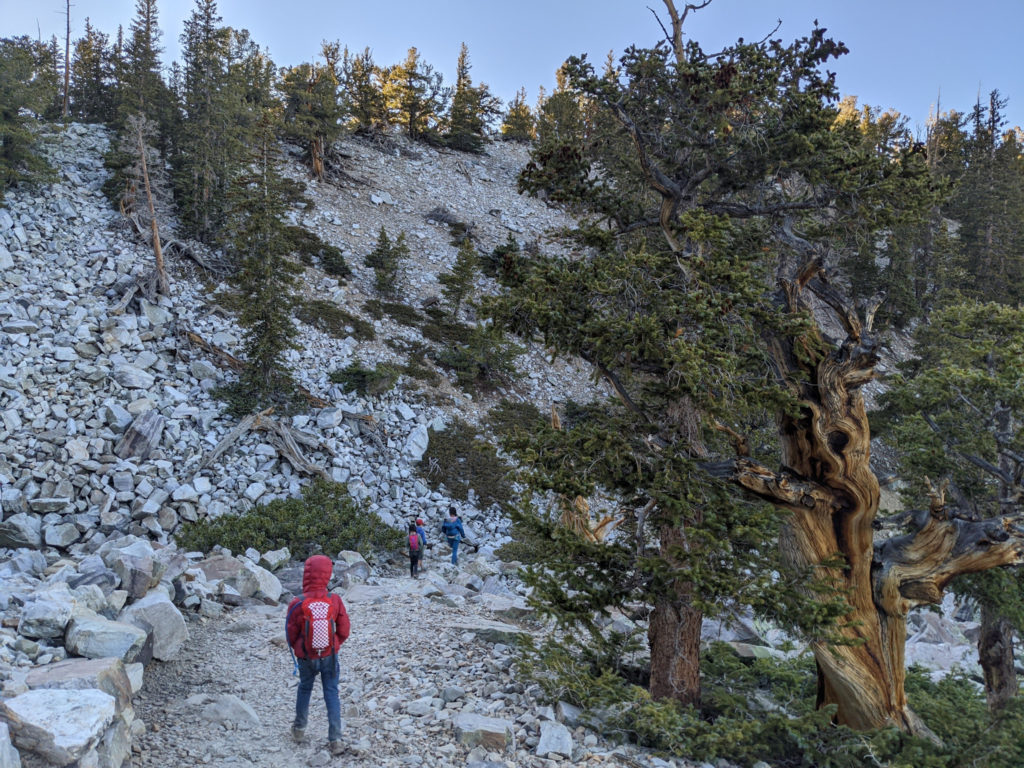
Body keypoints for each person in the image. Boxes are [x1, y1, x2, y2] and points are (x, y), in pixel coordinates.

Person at [286, 554, 350, 756]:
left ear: (307, 574)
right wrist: (335, 644)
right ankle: (336, 739)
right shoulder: (335, 600)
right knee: (331, 692)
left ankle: (299, 729)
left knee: (305, 688)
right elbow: (345, 629)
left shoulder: (297, 602)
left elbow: (290, 634)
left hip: (306, 657)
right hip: (330, 655)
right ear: (328, 575)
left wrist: (300, 649)